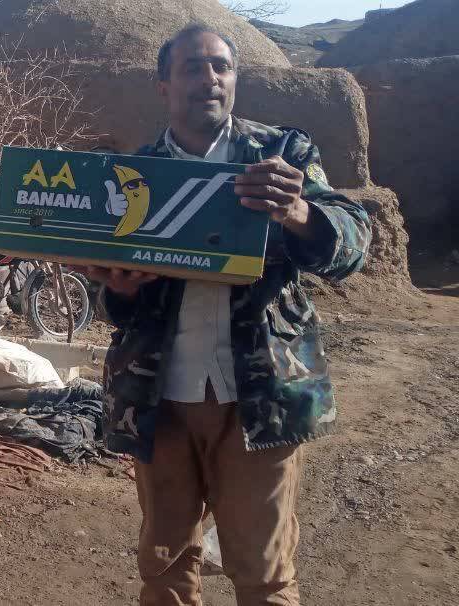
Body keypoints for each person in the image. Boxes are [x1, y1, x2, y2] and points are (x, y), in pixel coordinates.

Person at [80, 25, 372, 606]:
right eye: (192, 68)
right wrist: (121, 290)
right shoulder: (132, 177)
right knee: (165, 571)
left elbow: (354, 242)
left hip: (260, 396)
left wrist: (298, 210)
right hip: (160, 399)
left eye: (220, 67)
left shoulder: (282, 157)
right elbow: (114, 305)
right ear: (163, 85)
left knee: (264, 573)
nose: (208, 80)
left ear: (235, 79)